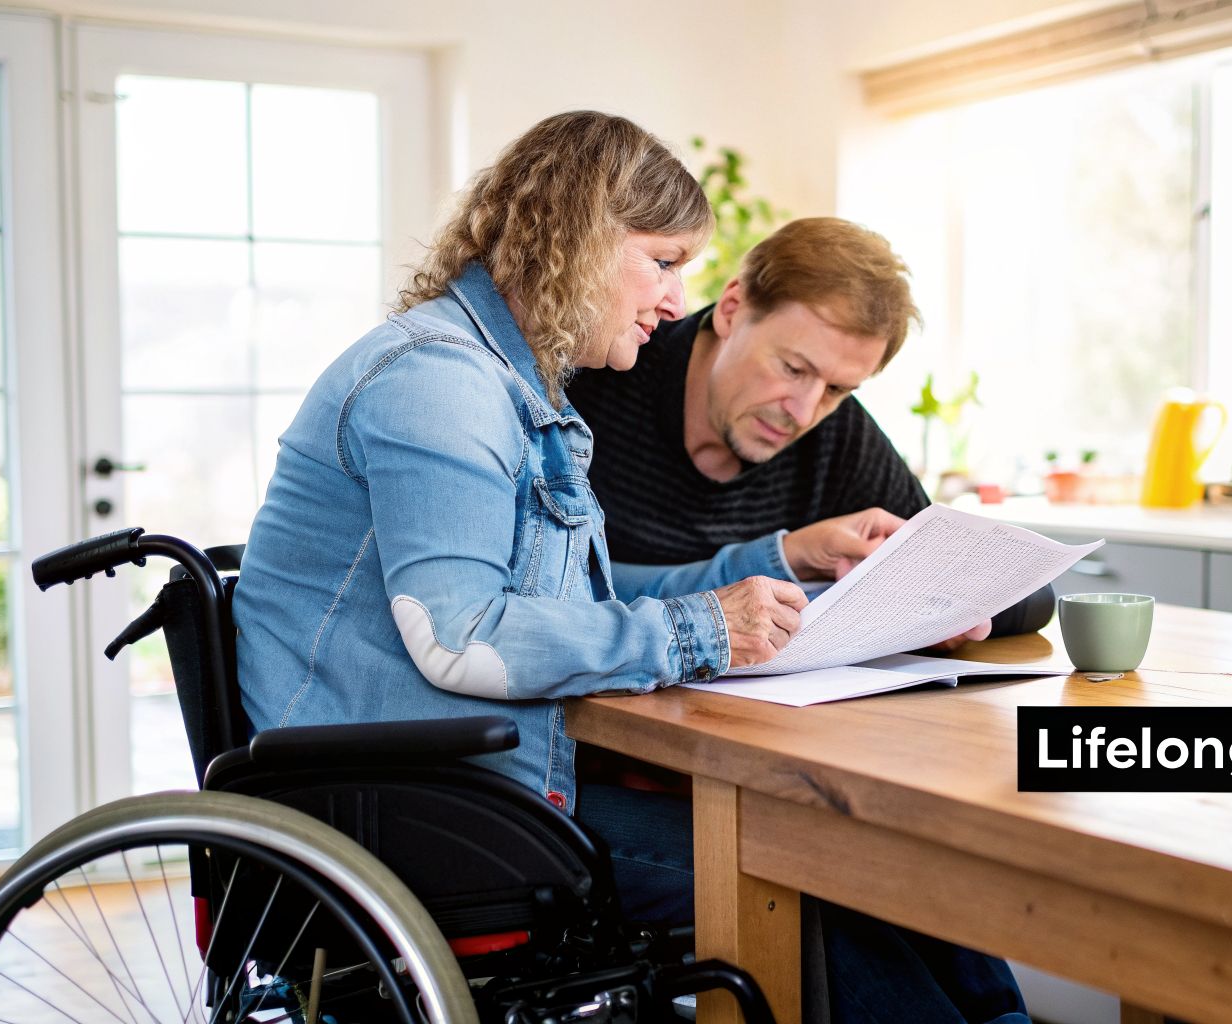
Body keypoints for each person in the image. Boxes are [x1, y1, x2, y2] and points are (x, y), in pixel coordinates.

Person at [232, 111, 1024, 1023]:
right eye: (662, 260)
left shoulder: (509, 386)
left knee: (859, 851)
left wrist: (769, 591)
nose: (674, 301)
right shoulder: (436, 381)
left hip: (479, 785)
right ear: (573, 239)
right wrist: (701, 629)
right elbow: (462, 637)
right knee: (821, 867)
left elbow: (591, 599)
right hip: (423, 812)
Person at [567, 216, 1052, 645]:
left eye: (837, 388)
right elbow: (553, 594)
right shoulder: (601, 375)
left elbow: (1027, 598)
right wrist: (785, 558)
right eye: (793, 368)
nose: (803, 413)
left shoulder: (837, 431)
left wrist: (926, 611)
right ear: (733, 308)